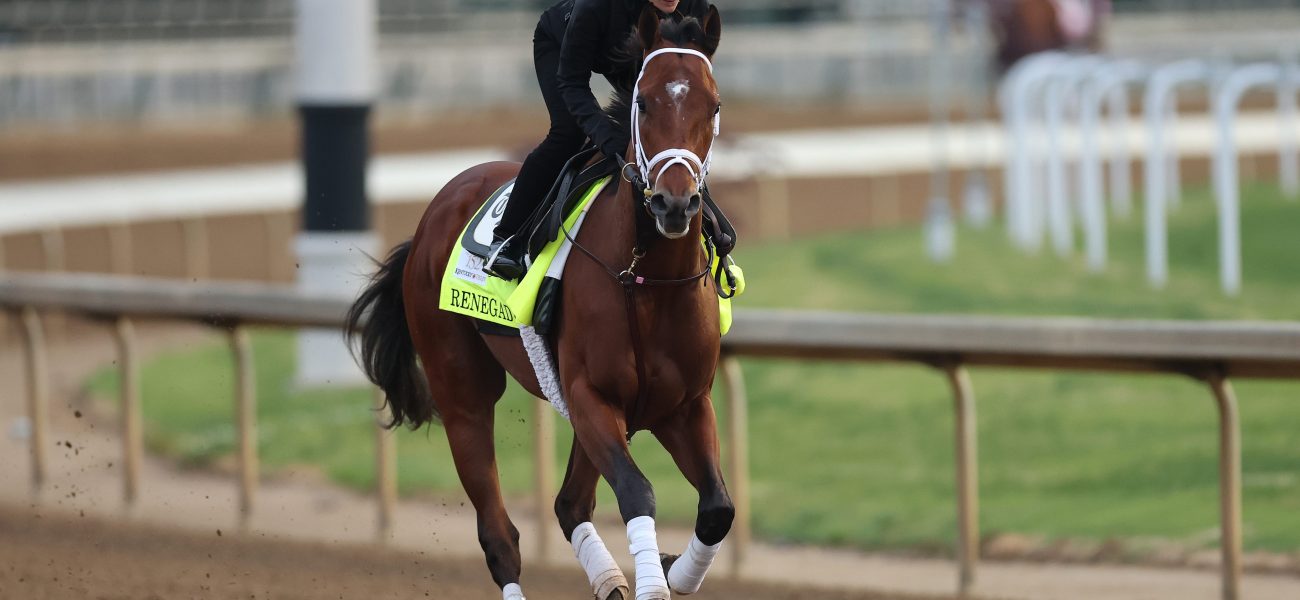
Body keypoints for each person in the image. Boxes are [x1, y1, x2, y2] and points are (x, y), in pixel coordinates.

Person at [485, 0, 710, 280]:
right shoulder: (596, 6)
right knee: (569, 134)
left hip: (636, 57)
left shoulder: (697, 8)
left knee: (668, 133)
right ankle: (506, 239)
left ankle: (709, 230)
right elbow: (571, 82)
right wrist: (604, 135)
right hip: (561, 45)